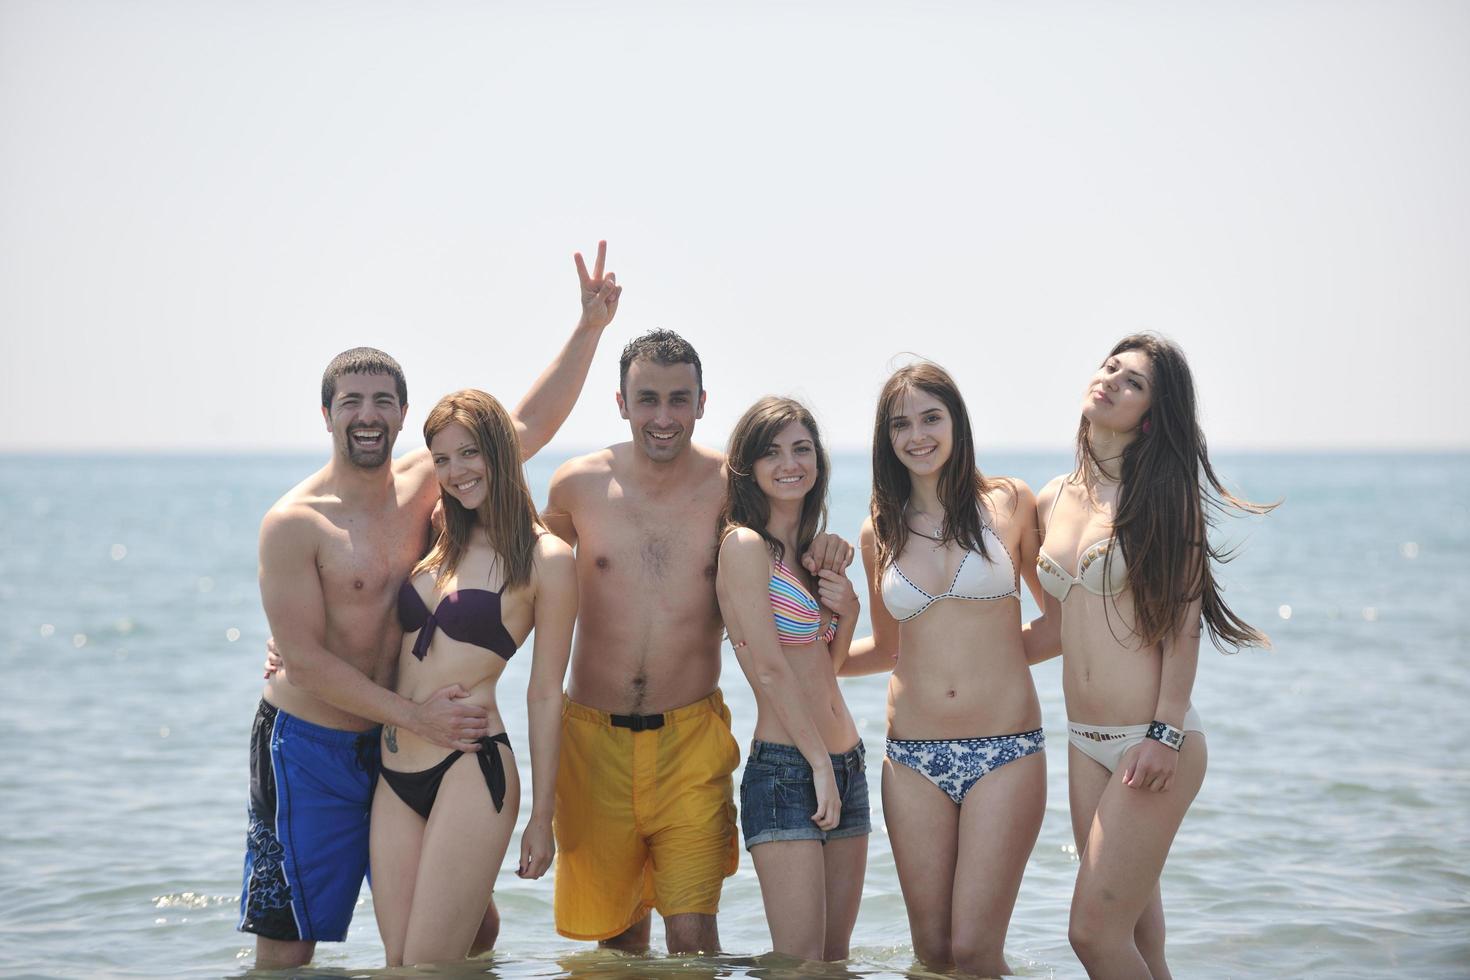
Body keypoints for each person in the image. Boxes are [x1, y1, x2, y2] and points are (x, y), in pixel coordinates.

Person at [240, 243, 620, 970]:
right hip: (318, 745)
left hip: (429, 743)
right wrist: (412, 715)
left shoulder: (430, 483)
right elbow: (308, 658)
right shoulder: (295, 523)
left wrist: (589, 328)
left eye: (383, 400)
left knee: (456, 942)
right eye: (351, 401)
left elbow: (525, 426)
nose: (367, 414)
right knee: (290, 943)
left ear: (403, 412)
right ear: (326, 414)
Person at [542, 331, 852, 953]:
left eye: (679, 400)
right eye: (647, 399)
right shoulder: (575, 487)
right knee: (618, 944)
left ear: (702, 402)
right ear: (622, 402)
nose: (663, 417)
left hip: (691, 738)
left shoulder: (730, 488)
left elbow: (789, 542)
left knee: (694, 937)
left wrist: (833, 549)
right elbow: (517, 585)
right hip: (591, 739)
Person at [1023, 334, 1273, 978]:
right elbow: (1054, 628)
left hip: (1153, 743)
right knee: (1139, 940)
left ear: (1152, 415)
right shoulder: (1052, 498)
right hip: (1085, 743)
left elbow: (1182, 629)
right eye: (1109, 367)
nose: (1109, 380)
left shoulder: (1161, 498)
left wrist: (1164, 731)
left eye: (1131, 381)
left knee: (1092, 936)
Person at [838, 362, 1047, 976]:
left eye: (931, 417)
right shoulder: (879, 529)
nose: (918, 435)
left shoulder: (1010, 502)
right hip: (913, 760)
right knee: (931, 956)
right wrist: (802, 669)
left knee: (976, 953)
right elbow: (887, 649)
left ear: (957, 422)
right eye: (901, 424)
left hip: (1005, 749)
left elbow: (1058, 625)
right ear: (887, 439)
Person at [370, 389, 575, 966]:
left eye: (469, 453)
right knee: (398, 965)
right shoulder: (438, 542)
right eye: (440, 459)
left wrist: (542, 817)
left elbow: (543, 693)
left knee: (425, 968)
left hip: (470, 764)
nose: (455, 472)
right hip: (394, 771)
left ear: (502, 453)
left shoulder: (547, 559)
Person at [714, 397, 868, 961]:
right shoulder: (744, 546)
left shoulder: (810, 555)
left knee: (834, 961)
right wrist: (818, 765)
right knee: (799, 963)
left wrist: (847, 614)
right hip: (788, 768)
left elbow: (827, 673)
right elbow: (771, 670)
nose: (789, 463)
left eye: (802, 449)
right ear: (749, 467)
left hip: (848, 763)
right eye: (772, 451)